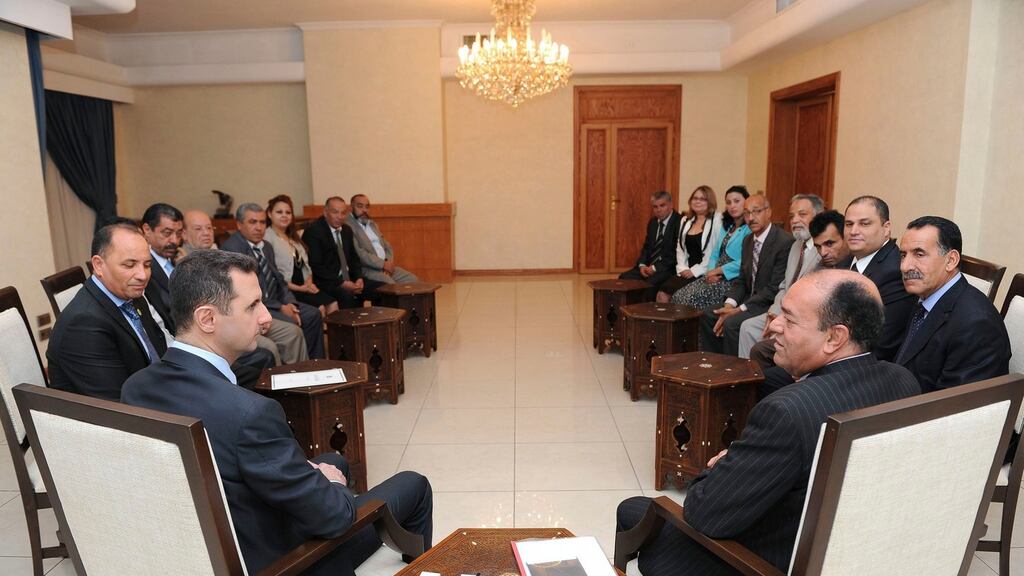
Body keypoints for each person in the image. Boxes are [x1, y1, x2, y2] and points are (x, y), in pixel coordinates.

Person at [121, 250, 433, 576]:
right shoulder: (250, 413)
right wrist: (334, 487)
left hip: (204, 543)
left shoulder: (136, 387)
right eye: (252, 306)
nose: (265, 318)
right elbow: (334, 517)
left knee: (334, 461)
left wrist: (313, 472)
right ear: (207, 319)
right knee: (413, 484)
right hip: (284, 561)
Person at [616, 269, 920, 576]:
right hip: (854, 549)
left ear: (835, 337)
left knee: (633, 509)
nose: (773, 326)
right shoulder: (902, 381)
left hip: (767, 559)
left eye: (789, 319)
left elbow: (704, 514)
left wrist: (720, 465)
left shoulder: (786, 412)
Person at [141, 202, 276, 381]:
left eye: (178, 233)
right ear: (147, 230)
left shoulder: (180, 258)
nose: (174, 240)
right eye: (167, 233)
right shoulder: (145, 272)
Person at [47, 222, 166, 401]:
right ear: (98, 265)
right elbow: (116, 406)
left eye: (147, 265)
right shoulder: (83, 325)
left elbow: (157, 352)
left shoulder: (132, 295)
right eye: (129, 265)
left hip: (150, 393)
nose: (142, 275)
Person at [895, 216, 1010, 393]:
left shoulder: (977, 324)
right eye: (903, 255)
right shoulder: (923, 295)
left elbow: (953, 409)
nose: (905, 266)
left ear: (951, 261)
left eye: (919, 254)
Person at [745, 209, 850, 373]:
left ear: (846, 237)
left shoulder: (852, 270)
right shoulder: (819, 264)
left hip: (825, 340)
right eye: (818, 247)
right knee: (760, 349)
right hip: (801, 326)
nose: (824, 252)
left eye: (830, 244)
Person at [222, 203, 326, 360]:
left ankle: (315, 363)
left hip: (276, 301)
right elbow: (245, 293)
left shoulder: (266, 246)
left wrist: (290, 303)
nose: (259, 227)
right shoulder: (233, 249)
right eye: (252, 222)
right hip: (257, 307)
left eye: (262, 222)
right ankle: (296, 368)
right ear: (239, 224)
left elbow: (279, 280)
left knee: (313, 315)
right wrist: (281, 307)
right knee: (293, 327)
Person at [699, 194, 794, 354]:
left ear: (768, 212)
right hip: (748, 299)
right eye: (747, 213)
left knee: (731, 323)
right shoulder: (748, 240)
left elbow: (774, 288)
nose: (751, 218)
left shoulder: (784, 242)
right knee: (709, 315)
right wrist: (729, 305)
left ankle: (732, 371)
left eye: (756, 211)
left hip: (766, 303)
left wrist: (739, 309)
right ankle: (713, 365)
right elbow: (742, 279)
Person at [735, 195, 824, 358]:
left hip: (802, 316)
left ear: (818, 217)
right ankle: (747, 378)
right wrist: (774, 312)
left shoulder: (823, 249)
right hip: (781, 309)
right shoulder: (796, 245)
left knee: (770, 337)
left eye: (802, 214)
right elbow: (784, 285)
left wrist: (785, 316)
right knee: (748, 327)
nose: (795, 220)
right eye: (791, 216)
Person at [844, 196, 916, 361]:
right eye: (849, 224)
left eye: (864, 224)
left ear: (886, 228)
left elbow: (882, 345)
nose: (853, 231)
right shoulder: (847, 259)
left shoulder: (895, 272)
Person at [671, 185, 751, 310]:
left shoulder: (750, 229)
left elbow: (746, 261)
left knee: (687, 299)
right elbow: (714, 253)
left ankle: (694, 329)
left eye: (737, 201)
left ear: (747, 202)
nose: (732, 206)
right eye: (728, 202)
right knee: (677, 296)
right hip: (713, 275)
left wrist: (719, 271)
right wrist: (710, 272)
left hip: (732, 279)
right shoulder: (727, 226)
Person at [265, 195, 339, 317]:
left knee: (333, 303)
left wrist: (308, 283)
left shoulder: (293, 237)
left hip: (304, 287)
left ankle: (334, 336)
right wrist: (300, 288)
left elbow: (306, 266)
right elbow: (274, 275)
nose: (284, 215)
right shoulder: (267, 238)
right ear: (269, 214)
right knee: (319, 308)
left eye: (288, 212)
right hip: (287, 290)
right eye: (279, 212)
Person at [304, 197, 383, 309]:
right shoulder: (314, 232)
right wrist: (342, 283)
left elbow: (354, 259)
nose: (340, 217)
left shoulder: (346, 230)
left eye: (343, 213)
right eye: (335, 212)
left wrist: (359, 278)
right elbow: (316, 266)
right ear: (325, 212)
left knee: (382, 290)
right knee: (346, 296)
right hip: (327, 281)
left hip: (349, 279)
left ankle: (378, 324)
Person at [656, 186, 722, 303]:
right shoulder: (686, 220)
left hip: (704, 271)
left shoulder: (717, 220)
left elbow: (714, 251)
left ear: (710, 201)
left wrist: (695, 271)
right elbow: (680, 248)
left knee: (677, 296)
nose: (697, 201)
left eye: (703, 199)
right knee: (662, 293)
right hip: (686, 270)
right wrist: (683, 268)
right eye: (695, 198)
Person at [619, 191, 681, 300]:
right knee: (624, 278)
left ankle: (644, 313)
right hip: (648, 266)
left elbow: (676, 254)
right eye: (655, 207)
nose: (659, 210)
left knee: (649, 284)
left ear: (671, 205)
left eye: (662, 205)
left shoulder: (679, 222)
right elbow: (647, 247)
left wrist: (654, 268)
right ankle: (628, 312)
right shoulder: (653, 222)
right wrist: (642, 264)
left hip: (668, 268)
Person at [347, 194, 419, 284]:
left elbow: (387, 246)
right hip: (368, 269)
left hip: (385, 267)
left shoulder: (372, 224)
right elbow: (359, 254)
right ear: (351, 207)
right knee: (390, 286)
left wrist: (388, 263)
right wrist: (382, 264)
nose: (364, 210)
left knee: (413, 280)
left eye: (367, 207)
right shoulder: (347, 226)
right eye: (360, 206)